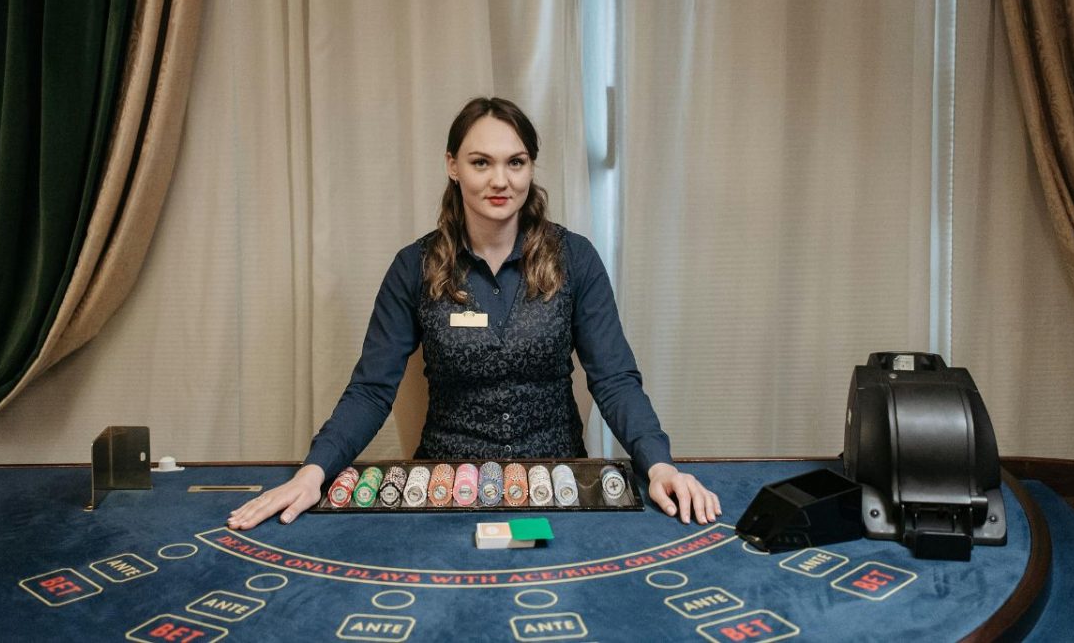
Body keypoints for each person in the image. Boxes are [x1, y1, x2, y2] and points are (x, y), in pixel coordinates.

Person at [228, 97, 721, 530]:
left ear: (531, 167)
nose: (500, 180)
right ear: (453, 165)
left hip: (556, 486)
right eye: (481, 162)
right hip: (444, 491)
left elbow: (614, 378)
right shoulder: (413, 267)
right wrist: (314, 472)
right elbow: (372, 388)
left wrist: (659, 466)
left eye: (516, 162)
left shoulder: (576, 259)